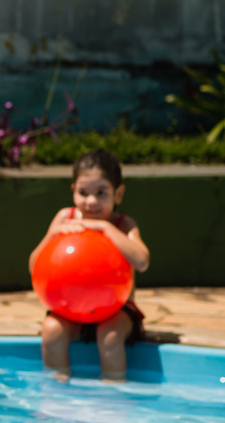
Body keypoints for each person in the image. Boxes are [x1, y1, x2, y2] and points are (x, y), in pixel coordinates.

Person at [28, 149, 150, 380]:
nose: (91, 201)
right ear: (73, 191)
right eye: (84, 193)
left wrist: (106, 229)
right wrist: (52, 235)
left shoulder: (123, 225)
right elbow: (34, 266)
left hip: (117, 309)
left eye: (101, 193)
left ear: (118, 194)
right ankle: (57, 390)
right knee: (52, 331)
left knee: (110, 335)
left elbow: (142, 261)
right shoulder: (66, 219)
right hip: (70, 309)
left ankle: (112, 391)